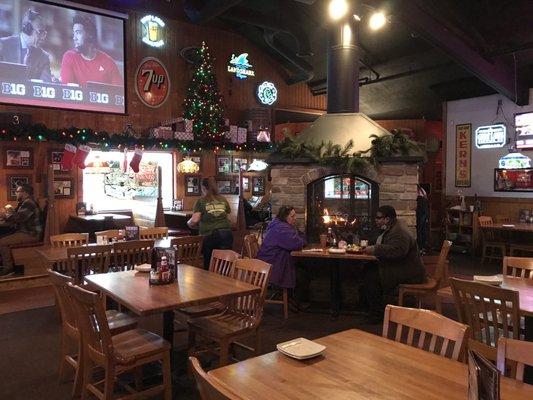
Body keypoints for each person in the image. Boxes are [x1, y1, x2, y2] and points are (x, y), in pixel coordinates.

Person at [362, 205, 425, 322]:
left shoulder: (399, 231)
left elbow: (399, 251)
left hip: (408, 272)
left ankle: (377, 314)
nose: (376, 220)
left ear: (387, 219)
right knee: (369, 269)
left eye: (378, 217)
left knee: (371, 275)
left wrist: (375, 249)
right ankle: (371, 309)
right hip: (403, 267)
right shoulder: (394, 227)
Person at [257, 206, 306, 301]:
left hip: (268, 260)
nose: (295, 218)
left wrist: (300, 237)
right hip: (271, 264)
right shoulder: (281, 228)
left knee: (302, 270)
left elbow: (298, 237)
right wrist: (302, 239)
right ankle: (296, 301)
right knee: (302, 273)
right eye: (292, 216)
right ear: (285, 217)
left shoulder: (280, 225)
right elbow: (297, 243)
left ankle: (293, 299)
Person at [60, 13, 122, 86]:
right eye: (74, 34)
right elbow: (67, 90)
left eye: (78, 33)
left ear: (90, 35)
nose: (74, 38)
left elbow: (119, 93)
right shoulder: (69, 57)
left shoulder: (109, 62)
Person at [187, 177, 233, 269]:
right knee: (224, 264)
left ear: (203, 188)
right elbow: (227, 214)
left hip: (211, 235)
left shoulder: (201, 201)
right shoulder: (223, 199)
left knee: (209, 264)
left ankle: (209, 281)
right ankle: (225, 281)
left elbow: (195, 220)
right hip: (227, 233)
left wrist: (188, 223)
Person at [0, 184, 42, 278]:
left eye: (18, 192)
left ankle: (8, 269)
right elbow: (15, 218)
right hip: (25, 231)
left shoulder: (29, 203)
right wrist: (6, 215)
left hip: (31, 233)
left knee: (2, 242)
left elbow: (18, 218)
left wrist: (4, 215)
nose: (16, 194)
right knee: (3, 236)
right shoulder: (23, 203)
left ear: (25, 193)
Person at [0, 8, 52, 81]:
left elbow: (46, 85)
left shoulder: (44, 57)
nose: (43, 38)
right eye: (40, 32)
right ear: (27, 29)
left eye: (44, 33)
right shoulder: (3, 45)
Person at [416, 184, 430, 254]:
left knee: (419, 229)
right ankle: (423, 247)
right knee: (422, 229)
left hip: (421, 210)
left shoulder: (418, 190)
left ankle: (420, 247)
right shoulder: (422, 189)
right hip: (424, 210)